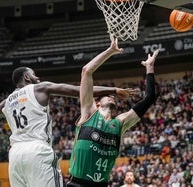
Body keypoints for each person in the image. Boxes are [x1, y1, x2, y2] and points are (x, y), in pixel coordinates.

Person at [0, 65, 138, 186]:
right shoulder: (39, 87)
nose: (37, 76)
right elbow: (78, 90)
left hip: (14, 157)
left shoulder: (6, 103)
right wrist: (113, 89)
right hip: (37, 151)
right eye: (34, 74)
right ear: (26, 77)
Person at [66, 34, 159, 187]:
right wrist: (110, 51)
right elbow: (86, 71)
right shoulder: (89, 112)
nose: (111, 97)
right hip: (77, 184)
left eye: (112, 96)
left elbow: (149, 98)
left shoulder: (121, 123)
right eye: (106, 96)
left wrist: (149, 68)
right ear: (96, 103)